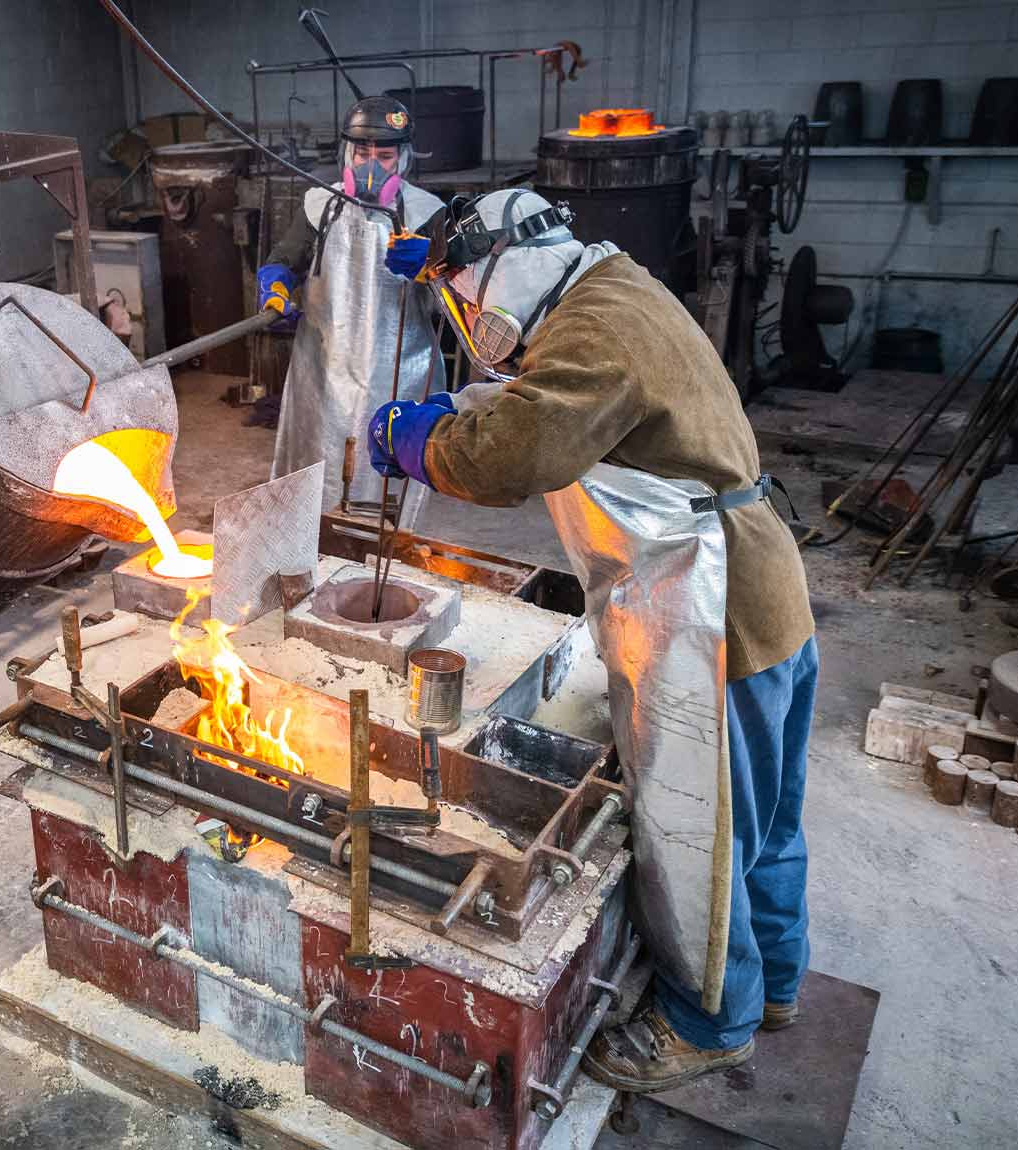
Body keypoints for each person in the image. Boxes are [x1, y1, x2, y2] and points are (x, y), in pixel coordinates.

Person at [367, 190, 818, 1093]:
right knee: (763, 822)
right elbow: (543, 395)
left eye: (464, 294)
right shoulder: (608, 289)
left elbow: (518, 452)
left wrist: (421, 443)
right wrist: (469, 403)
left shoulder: (592, 333)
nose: (469, 320)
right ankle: (773, 984)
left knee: (699, 832)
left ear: (499, 270)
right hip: (764, 603)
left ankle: (708, 1024)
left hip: (712, 615)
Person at [256, 95, 441, 525]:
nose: (370, 167)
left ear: (404, 158)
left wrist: (432, 267)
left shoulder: (428, 214)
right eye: (361, 154)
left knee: (388, 474)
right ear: (346, 153)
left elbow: (458, 303)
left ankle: (385, 551)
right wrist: (275, 283)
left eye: (384, 156)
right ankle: (313, 541)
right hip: (324, 367)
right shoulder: (321, 205)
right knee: (316, 467)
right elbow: (287, 257)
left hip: (398, 370)